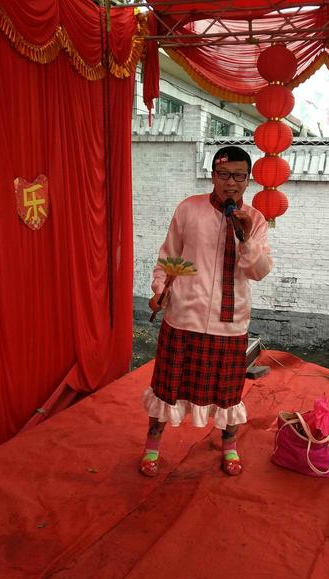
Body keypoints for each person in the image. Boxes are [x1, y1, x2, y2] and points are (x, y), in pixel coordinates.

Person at [141, 146, 273, 477]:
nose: (231, 183)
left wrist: (246, 239)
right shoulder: (189, 208)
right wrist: (160, 290)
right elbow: (168, 256)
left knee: (228, 394)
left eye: (239, 176)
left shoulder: (255, 220)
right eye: (224, 174)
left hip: (229, 323)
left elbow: (258, 272)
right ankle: (152, 445)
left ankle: (229, 446)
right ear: (213, 175)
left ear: (248, 180)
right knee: (166, 388)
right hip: (183, 316)